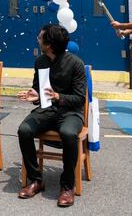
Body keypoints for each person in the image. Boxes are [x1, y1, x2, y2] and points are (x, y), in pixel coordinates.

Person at [16, 24, 87, 206]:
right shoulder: (40, 61)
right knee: (24, 130)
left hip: (70, 112)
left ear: (49, 44)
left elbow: (79, 99)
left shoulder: (76, 64)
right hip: (47, 110)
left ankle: (67, 186)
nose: (37, 40)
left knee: (68, 133)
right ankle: (35, 180)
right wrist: (34, 95)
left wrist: (57, 96)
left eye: (40, 38)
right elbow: (38, 90)